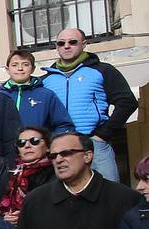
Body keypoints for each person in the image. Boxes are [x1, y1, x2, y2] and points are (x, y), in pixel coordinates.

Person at [41, 28, 140, 181]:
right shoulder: (45, 80)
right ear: (56, 47)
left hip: (94, 144)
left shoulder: (102, 70)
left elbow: (127, 102)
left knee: (108, 194)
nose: (66, 46)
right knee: (63, 199)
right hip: (59, 147)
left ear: (84, 44)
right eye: (61, 43)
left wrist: (103, 134)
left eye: (72, 42)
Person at [0, 125, 56, 225]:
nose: (27, 146)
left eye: (34, 141)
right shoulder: (10, 172)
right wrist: (5, 218)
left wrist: (24, 217)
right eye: (21, 143)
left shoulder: (55, 172)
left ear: (47, 147)